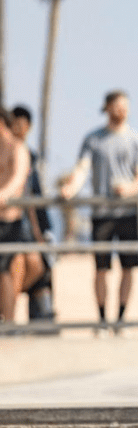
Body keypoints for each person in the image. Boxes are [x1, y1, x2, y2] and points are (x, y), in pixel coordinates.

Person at [60, 90, 138, 335]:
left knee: (128, 268)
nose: (122, 110)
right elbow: (82, 168)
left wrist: (130, 189)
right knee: (101, 269)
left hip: (128, 213)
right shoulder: (93, 139)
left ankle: (119, 319)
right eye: (117, 106)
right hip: (102, 215)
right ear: (107, 108)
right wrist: (71, 188)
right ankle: (101, 318)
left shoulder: (136, 139)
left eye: (125, 106)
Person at [9, 105, 55, 322]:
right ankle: (8, 310)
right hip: (12, 221)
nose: (18, 127)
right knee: (17, 266)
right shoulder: (7, 151)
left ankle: (10, 305)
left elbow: (38, 195)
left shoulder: (32, 157)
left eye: (22, 123)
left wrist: (46, 229)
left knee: (39, 266)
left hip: (30, 223)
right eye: (14, 123)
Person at [0, 107, 31, 323]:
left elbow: (18, 179)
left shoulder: (17, 147)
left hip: (10, 220)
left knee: (5, 272)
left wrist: (2, 195)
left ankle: (9, 322)